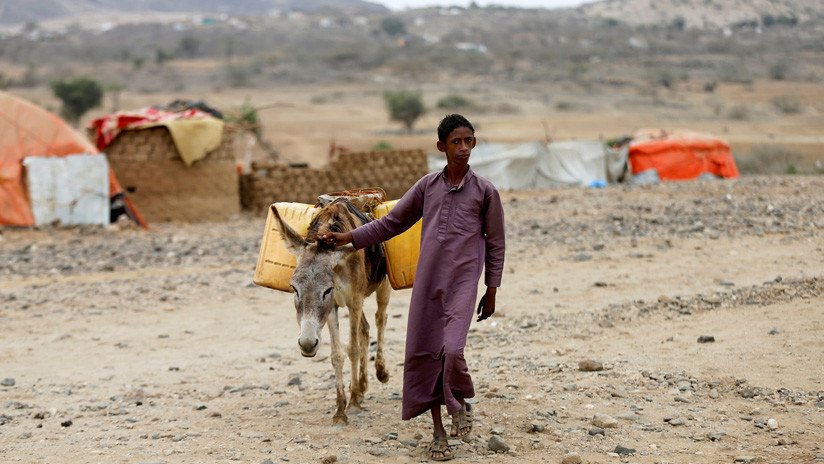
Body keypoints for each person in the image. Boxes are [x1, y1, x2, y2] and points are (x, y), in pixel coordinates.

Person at [321, 114, 505, 461]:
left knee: (452, 349)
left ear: (474, 143)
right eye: (456, 142)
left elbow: (496, 243)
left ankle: (460, 399)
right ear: (441, 147)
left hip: (464, 283)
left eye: (468, 141)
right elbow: (390, 224)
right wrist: (348, 237)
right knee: (424, 353)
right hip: (428, 283)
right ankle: (438, 432)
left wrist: (491, 288)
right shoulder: (427, 187)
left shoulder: (485, 191)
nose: (463, 148)